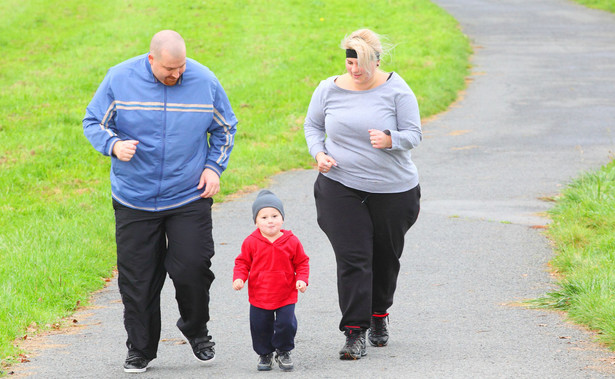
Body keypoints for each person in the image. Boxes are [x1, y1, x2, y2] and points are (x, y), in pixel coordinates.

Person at [83, 30, 237, 373]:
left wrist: (213, 168)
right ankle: (141, 349)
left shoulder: (204, 80)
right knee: (138, 279)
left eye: (181, 67)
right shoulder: (119, 78)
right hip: (134, 197)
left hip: (187, 194)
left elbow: (225, 128)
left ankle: (195, 328)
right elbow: (93, 122)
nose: (177, 75)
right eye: (169, 69)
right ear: (151, 59)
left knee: (193, 267)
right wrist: (113, 145)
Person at [303, 28, 421, 360]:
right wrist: (319, 153)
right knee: (354, 258)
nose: (355, 70)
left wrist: (390, 139)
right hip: (340, 186)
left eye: (362, 63)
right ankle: (354, 332)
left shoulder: (397, 91)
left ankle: (379, 313)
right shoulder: (328, 89)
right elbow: (313, 126)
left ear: (377, 60)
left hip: (393, 190)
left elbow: (414, 133)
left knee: (385, 258)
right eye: (350, 62)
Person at [233, 190, 310, 372]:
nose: (270, 220)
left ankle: (283, 351)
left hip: (286, 294)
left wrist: (302, 279)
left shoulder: (291, 241)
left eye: (275, 215)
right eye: (264, 217)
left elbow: (302, 262)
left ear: (282, 219)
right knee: (260, 326)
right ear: (256, 221)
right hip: (260, 294)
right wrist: (239, 278)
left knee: (286, 324)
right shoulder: (251, 242)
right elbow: (242, 262)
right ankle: (265, 353)